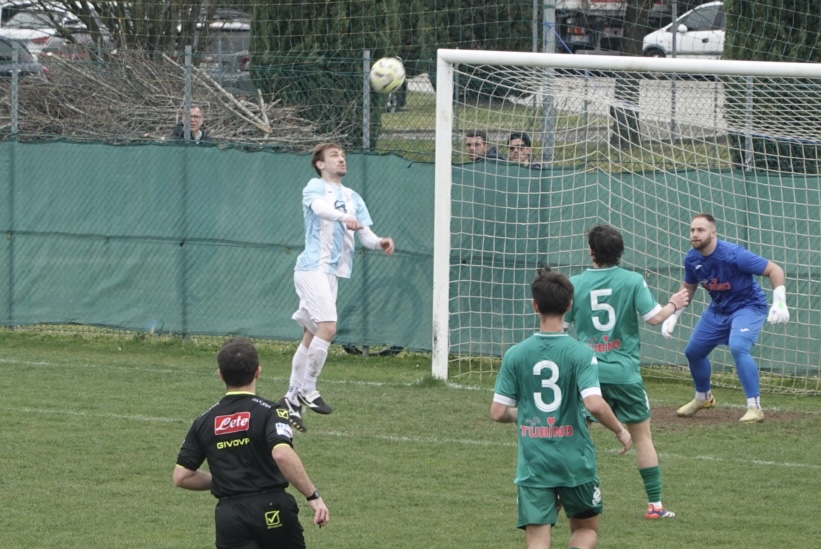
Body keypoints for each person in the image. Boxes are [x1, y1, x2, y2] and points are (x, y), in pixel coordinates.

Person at [491, 266, 632, 549]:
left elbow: (497, 412)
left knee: (537, 537)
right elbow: (594, 404)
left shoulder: (515, 354)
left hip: (535, 463)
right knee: (585, 529)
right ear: (569, 306)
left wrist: (524, 414)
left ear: (535, 306)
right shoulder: (581, 353)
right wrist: (619, 429)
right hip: (575, 462)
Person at [565, 224, 689, 520]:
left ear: (591, 252)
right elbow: (654, 318)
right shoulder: (633, 280)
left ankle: (564, 497)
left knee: (576, 438)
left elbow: (561, 326)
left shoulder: (574, 284)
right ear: (620, 252)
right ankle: (655, 505)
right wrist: (675, 303)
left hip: (588, 375)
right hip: (625, 374)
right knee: (643, 438)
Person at [173, 338, 329, 548]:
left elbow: (181, 476)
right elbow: (282, 454)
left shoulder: (203, 421)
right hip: (272, 506)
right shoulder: (271, 412)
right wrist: (312, 495)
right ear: (258, 372)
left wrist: (225, 478)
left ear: (220, 374)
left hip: (230, 515)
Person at [282, 142, 395, 433]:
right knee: (328, 328)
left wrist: (379, 242)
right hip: (312, 268)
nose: (341, 159)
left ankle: (290, 399)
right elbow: (320, 209)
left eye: (343, 155)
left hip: (331, 273)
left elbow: (365, 234)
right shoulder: (315, 187)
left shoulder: (353, 196)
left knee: (311, 335)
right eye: (334, 155)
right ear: (320, 164)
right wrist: (344, 217)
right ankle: (308, 389)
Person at [662, 213, 790, 423]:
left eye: (700, 230)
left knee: (738, 347)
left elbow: (774, 269)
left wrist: (780, 301)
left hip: (747, 306)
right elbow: (688, 287)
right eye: (692, 230)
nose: (694, 234)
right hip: (718, 310)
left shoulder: (734, 255)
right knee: (693, 353)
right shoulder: (692, 259)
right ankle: (703, 397)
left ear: (713, 233)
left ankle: (754, 407)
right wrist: (674, 314)